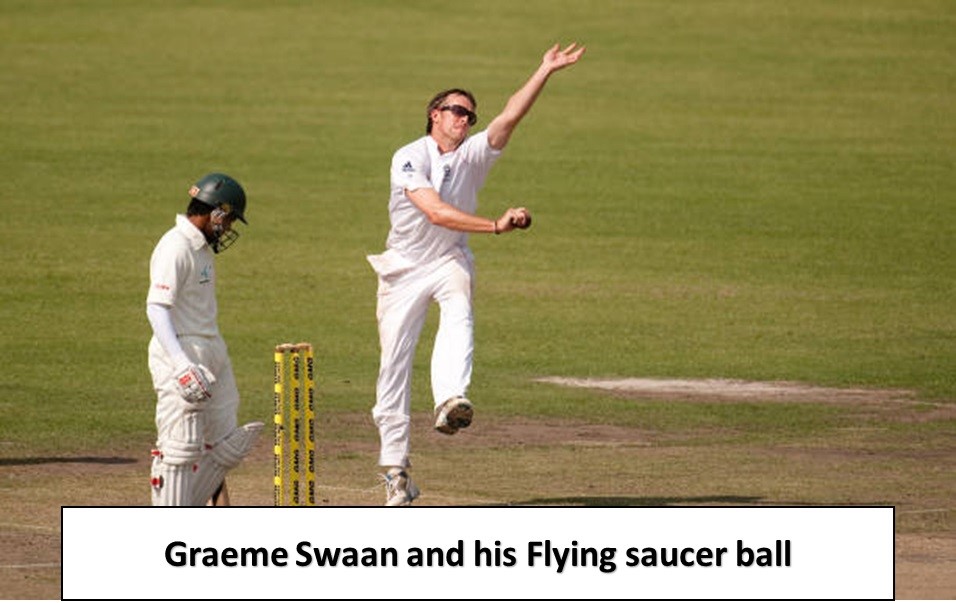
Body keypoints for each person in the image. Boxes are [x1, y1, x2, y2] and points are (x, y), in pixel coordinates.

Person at [367, 43, 586, 506]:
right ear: (434, 115)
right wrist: (494, 225)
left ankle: (450, 400)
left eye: (469, 114)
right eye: (456, 111)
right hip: (403, 267)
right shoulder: (410, 156)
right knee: (393, 367)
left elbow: (508, 119)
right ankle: (396, 472)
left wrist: (544, 69)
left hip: (449, 259)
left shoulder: (472, 155)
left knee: (460, 307)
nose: (464, 120)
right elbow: (434, 210)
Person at [146, 172, 263, 506]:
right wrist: (181, 365)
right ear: (217, 213)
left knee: (227, 443)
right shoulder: (175, 246)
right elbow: (156, 308)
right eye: (228, 221)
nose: (227, 229)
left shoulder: (201, 247)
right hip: (181, 350)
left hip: (211, 348)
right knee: (180, 448)